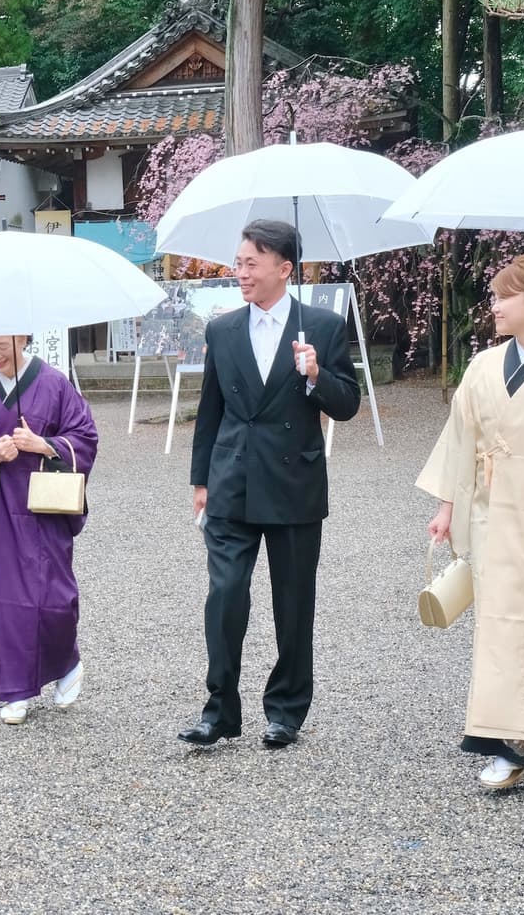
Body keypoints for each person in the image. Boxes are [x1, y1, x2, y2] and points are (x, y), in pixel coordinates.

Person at [180, 220, 360, 749]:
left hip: (293, 482)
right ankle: (220, 710)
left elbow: (347, 404)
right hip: (230, 478)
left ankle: (285, 710)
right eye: (237, 263)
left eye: (251, 263)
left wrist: (316, 375)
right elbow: (210, 407)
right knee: (226, 594)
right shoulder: (223, 329)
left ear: (285, 269)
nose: (240, 273)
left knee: (293, 601)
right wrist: (199, 479)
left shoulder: (322, 328)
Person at [418, 250, 524, 793]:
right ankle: (505, 744)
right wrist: (447, 506)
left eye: (503, 297)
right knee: (498, 628)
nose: (492, 306)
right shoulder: (482, 366)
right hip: (493, 515)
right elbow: (460, 440)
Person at [0, 336, 98, 725]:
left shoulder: (54, 383)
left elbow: (85, 436)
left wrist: (45, 444)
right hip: (0, 507)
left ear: (23, 338)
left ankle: (67, 664)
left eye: (1, 345)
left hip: (45, 506)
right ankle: (15, 690)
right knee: (5, 602)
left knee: (55, 597)